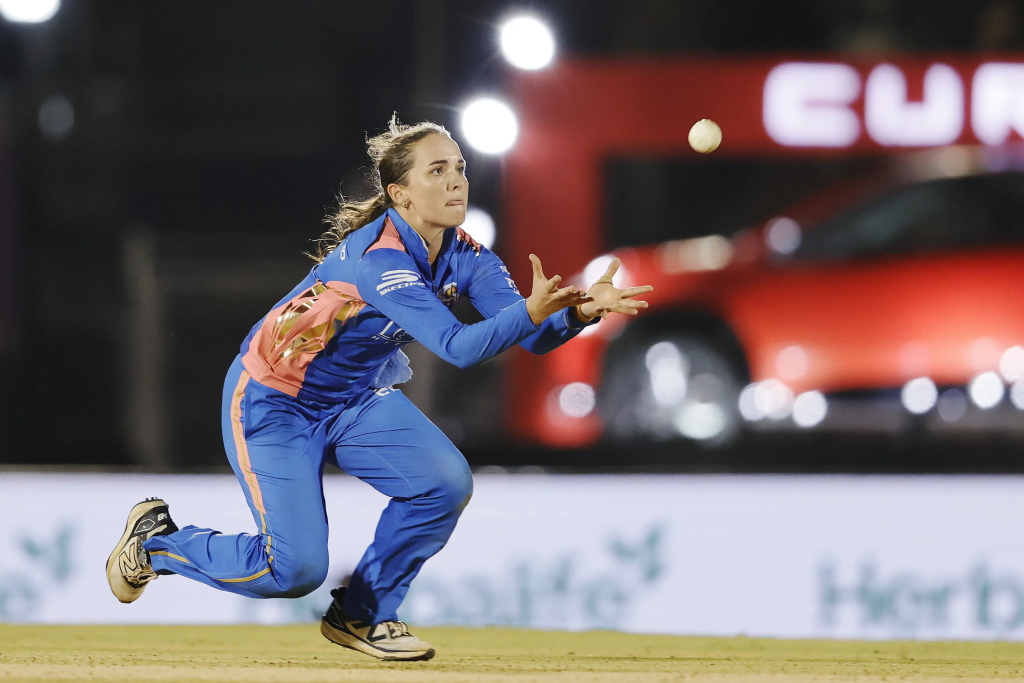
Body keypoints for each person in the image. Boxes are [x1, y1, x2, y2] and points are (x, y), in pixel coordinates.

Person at [105, 117, 653, 661]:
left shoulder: (466, 254)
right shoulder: (379, 261)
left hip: (353, 399)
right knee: (295, 572)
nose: (456, 181)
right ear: (400, 194)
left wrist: (578, 313)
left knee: (444, 483)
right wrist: (533, 312)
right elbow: (459, 347)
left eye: (460, 168)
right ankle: (157, 545)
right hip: (274, 402)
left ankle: (362, 613)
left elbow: (528, 336)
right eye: (436, 171)